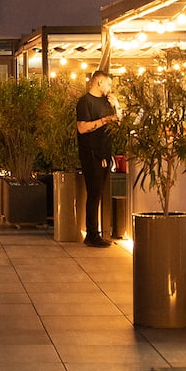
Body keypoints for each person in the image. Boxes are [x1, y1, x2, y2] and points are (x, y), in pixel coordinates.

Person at [75, 70, 120, 248]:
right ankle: (92, 233)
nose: (110, 88)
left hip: (105, 152)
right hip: (91, 153)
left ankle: (96, 232)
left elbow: (118, 121)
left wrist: (117, 106)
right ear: (99, 82)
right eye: (108, 84)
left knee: (99, 193)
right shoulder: (85, 102)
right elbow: (82, 128)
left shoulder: (106, 102)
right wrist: (104, 120)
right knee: (94, 193)